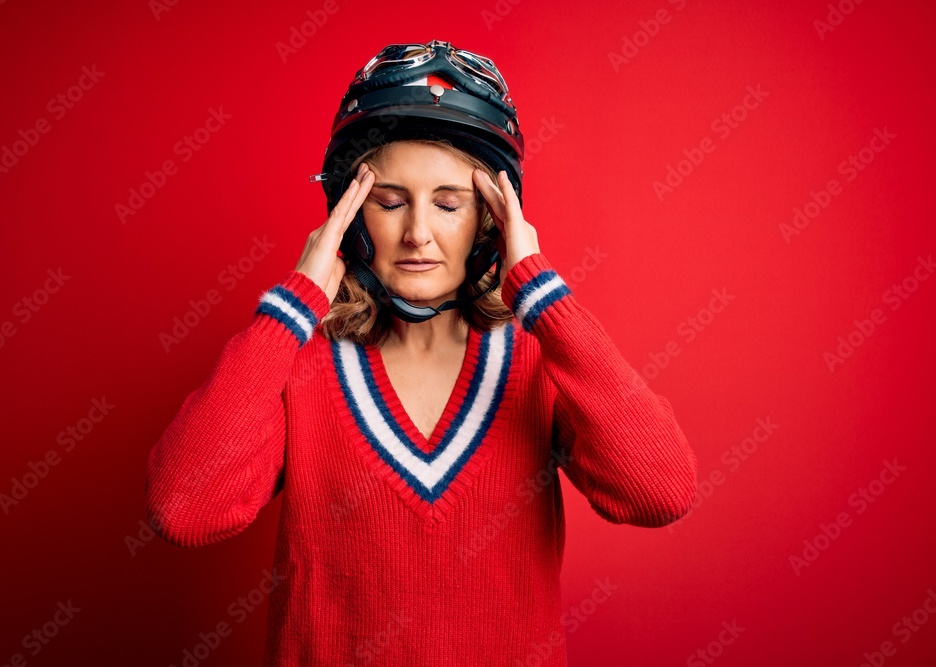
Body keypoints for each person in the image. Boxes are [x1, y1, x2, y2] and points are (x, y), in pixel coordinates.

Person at [145, 39, 698, 666]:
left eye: (449, 203)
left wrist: (542, 293)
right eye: (388, 202)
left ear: (493, 220)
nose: (417, 233)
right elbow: (183, 508)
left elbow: (660, 491)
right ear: (351, 219)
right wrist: (292, 308)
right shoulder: (297, 361)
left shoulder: (540, 361)